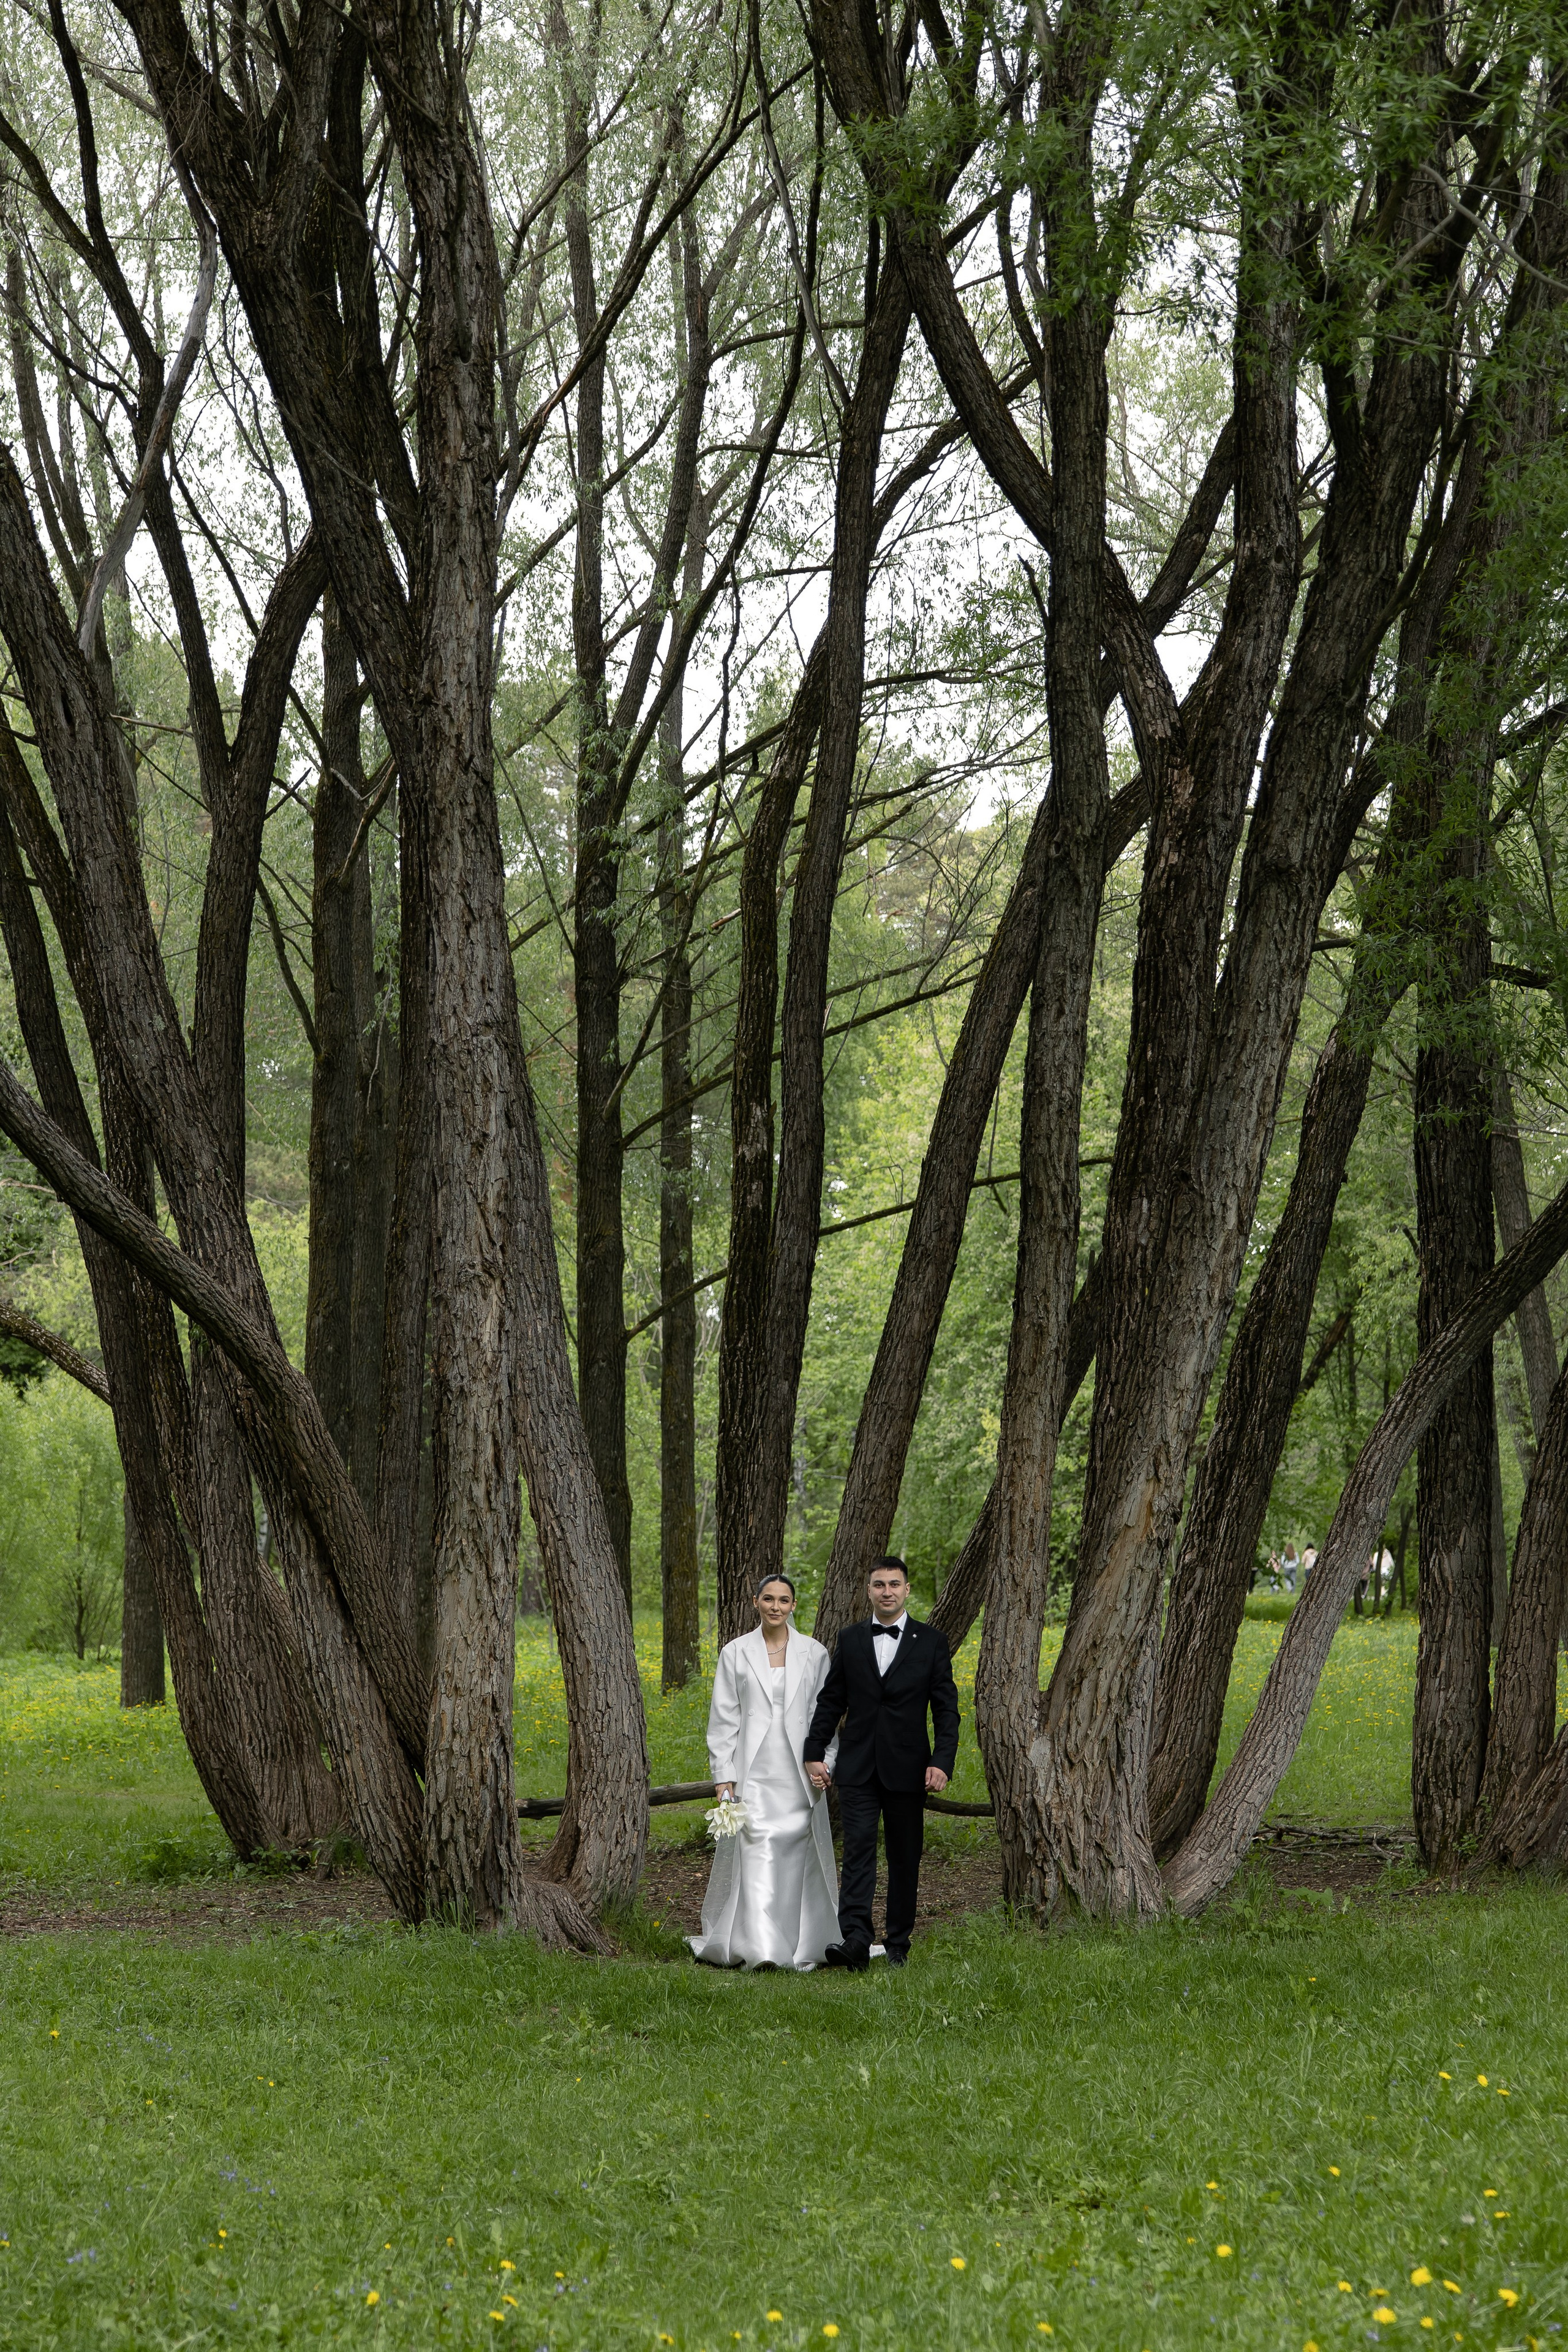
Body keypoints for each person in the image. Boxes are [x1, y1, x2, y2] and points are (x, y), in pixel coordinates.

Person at [803, 1555, 960, 1971]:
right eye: (879, 1585)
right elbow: (832, 1700)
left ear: (907, 1590)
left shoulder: (931, 1643)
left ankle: (898, 1944)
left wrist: (942, 1761)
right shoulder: (851, 1639)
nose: (887, 1591)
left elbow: (947, 1710)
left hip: (910, 1769)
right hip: (857, 1766)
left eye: (894, 1584)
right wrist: (814, 1752)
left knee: (905, 1855)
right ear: (869, 1590)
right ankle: (855, 1939)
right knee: (857, 1851)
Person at [688, 1573, 840, 1970]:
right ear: (756, 1602)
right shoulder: (735, 1653)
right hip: (752, 1771)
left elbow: (823, 1718)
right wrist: (724, 1776)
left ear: (793, 1606)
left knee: (793, 1846)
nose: (776, 1606)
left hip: (797, 1771)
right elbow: (723, 1720)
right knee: (755, 1847)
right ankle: (760, 1947)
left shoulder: (814, 1653)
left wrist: (827, 1763)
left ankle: (800, 1939)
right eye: (769, 1599)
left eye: (784, 1600)